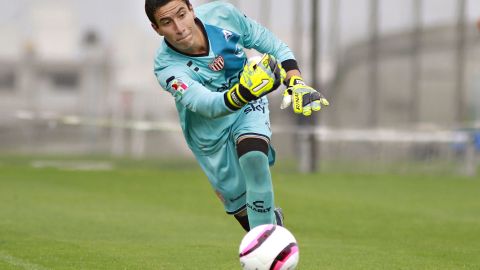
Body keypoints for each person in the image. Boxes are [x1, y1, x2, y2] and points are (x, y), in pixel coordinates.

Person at [145, 0, 329, 232]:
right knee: (243, 211)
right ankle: (269, 226)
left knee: (254, 158)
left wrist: (295, 81)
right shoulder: (166, 67)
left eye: (182, 15)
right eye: (167, 22)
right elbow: (204, 104)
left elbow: (273, 45)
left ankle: (268, 250)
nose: (179, 27)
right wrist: (245, 91)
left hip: (247, 106)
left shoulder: (222, 14)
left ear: (191, 9)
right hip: (209, 133)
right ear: (156, 28)